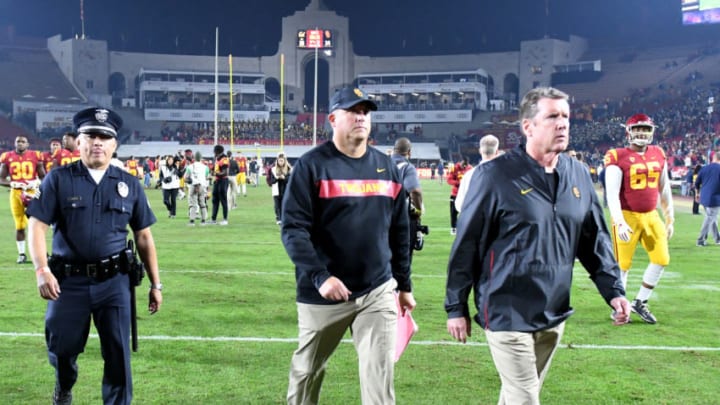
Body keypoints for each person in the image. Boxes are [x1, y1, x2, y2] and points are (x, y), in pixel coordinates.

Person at [445, 87, 630, 405]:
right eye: (552, 116)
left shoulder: (579, 175)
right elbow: (467, 244)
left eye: (566, 117)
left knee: (517, 396)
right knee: (525, 398)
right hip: (506, 309)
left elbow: (594, 241)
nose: (563, 124)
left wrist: (614, 291)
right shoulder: (494, 176)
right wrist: (456, 307)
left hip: (553, 310)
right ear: (528, 126)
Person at [281, 87, 416, 405]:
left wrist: (404, 286)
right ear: (332, 119)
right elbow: (293, 229)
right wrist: (320, 276)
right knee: (307, 374)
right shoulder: (311, 166)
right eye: (353, 111)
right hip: (323, 293)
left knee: (379, 381)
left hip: (377, 290)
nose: (361, 117)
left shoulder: (387, 167)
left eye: (366, 112)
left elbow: (400, 231)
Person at [26, 107, 163, 405]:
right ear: (78, 141)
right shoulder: (58, 179)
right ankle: (64, 386)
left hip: (114, 283)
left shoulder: (130, 184)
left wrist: (156, 284)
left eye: (105, 137)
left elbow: (143, 236)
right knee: (61, 347)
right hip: (67, 282)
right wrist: (41, 270)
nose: (98, 142)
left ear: (115, 145)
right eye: (91, 136)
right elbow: (36, 225)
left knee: (118, 356)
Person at [604, 113, 674, 324]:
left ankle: (640, 302)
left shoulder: (658, 153)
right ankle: (621, 306)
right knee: (623, 265)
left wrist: (669, 217)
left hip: (651, 215)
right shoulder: (617, 155)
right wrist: (619, 221)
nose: (642, 133)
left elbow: (665, 187)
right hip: (627, 215)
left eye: (646, 129)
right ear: (629, 132)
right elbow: (612, 194)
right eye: (637, 129)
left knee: (661, 259)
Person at [0, 135, 46, 264]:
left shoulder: (36, 155)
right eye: (18, 141)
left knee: (36, 224)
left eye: (23, 142)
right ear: (14, 143)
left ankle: (42, 253)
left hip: (32, 192)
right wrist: (12, 184)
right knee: (19, 226)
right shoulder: (7, 157)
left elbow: (44, 177)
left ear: (27, 144)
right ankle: (22, 254)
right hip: (16, 193)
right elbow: (1, 178)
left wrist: (35, 182)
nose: (20, 144)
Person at [391, 137, 424, 261]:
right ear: (409, 152)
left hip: (379, 218)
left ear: (394, 150)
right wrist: (419, 210)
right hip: (400, 218)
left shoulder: (381, 163)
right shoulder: (407, 167)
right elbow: (415, 191)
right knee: (402, 262)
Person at [454, 134, 500, 212]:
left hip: (475, 220)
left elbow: (460, 205)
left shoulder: (469, 175)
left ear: (480, 151)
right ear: (497, 152)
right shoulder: (505, 175)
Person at [694, 149, 720, 246]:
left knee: (712, 218)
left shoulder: (704, 168)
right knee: (709, 218)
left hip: (704, 197)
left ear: (713, 158)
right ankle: (700, 240)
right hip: (715, 198)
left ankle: (717, 239)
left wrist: (697, 194)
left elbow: (696, 183)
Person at [446, 157, 472, 235]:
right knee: (453, 212)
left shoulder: (470, 168)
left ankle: (465, 227)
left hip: (466, 194)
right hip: (455, 194)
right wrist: (459, 183)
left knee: (466, 212)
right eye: (463, 164)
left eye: (465, 165)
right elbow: (449, 180)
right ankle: (453, 228)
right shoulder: (454, 168)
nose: (464, 166)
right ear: (460, 162)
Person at [185, 151, 210, 226]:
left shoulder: (190, 167)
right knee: (202, 203)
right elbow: (206, 177)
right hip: (202, 186)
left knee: (193, 204)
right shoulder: (205, 167)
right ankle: (203, 220)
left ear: (194, 158)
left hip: (193, 186)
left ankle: (192, 221)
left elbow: (186, 178)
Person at [269, 152, 292, 225]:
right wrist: (278, 178)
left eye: (282, 160)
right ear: (277, 161)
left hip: (285, 190)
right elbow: (271, 181)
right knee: (277, 205)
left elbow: (290, 180)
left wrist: (284, 178)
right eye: (279, 160)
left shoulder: (289, 169)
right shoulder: (273, 169)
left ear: (285, 161)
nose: (281, 162)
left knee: (284, 204)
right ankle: (278, 218)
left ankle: (283, 218)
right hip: (276, 190)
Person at [210, 144, 229, 225]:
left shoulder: (224, 159)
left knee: (223, 200)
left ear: (217, 151)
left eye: (214, 151)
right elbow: (214, 169)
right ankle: (213, 219)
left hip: (223, 181)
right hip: (217, 181)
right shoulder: (217, 159)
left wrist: (215, 173)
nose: (213, 153)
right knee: (215, 200)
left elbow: (225, 172)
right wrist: (212, 170)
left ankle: (225, 219)